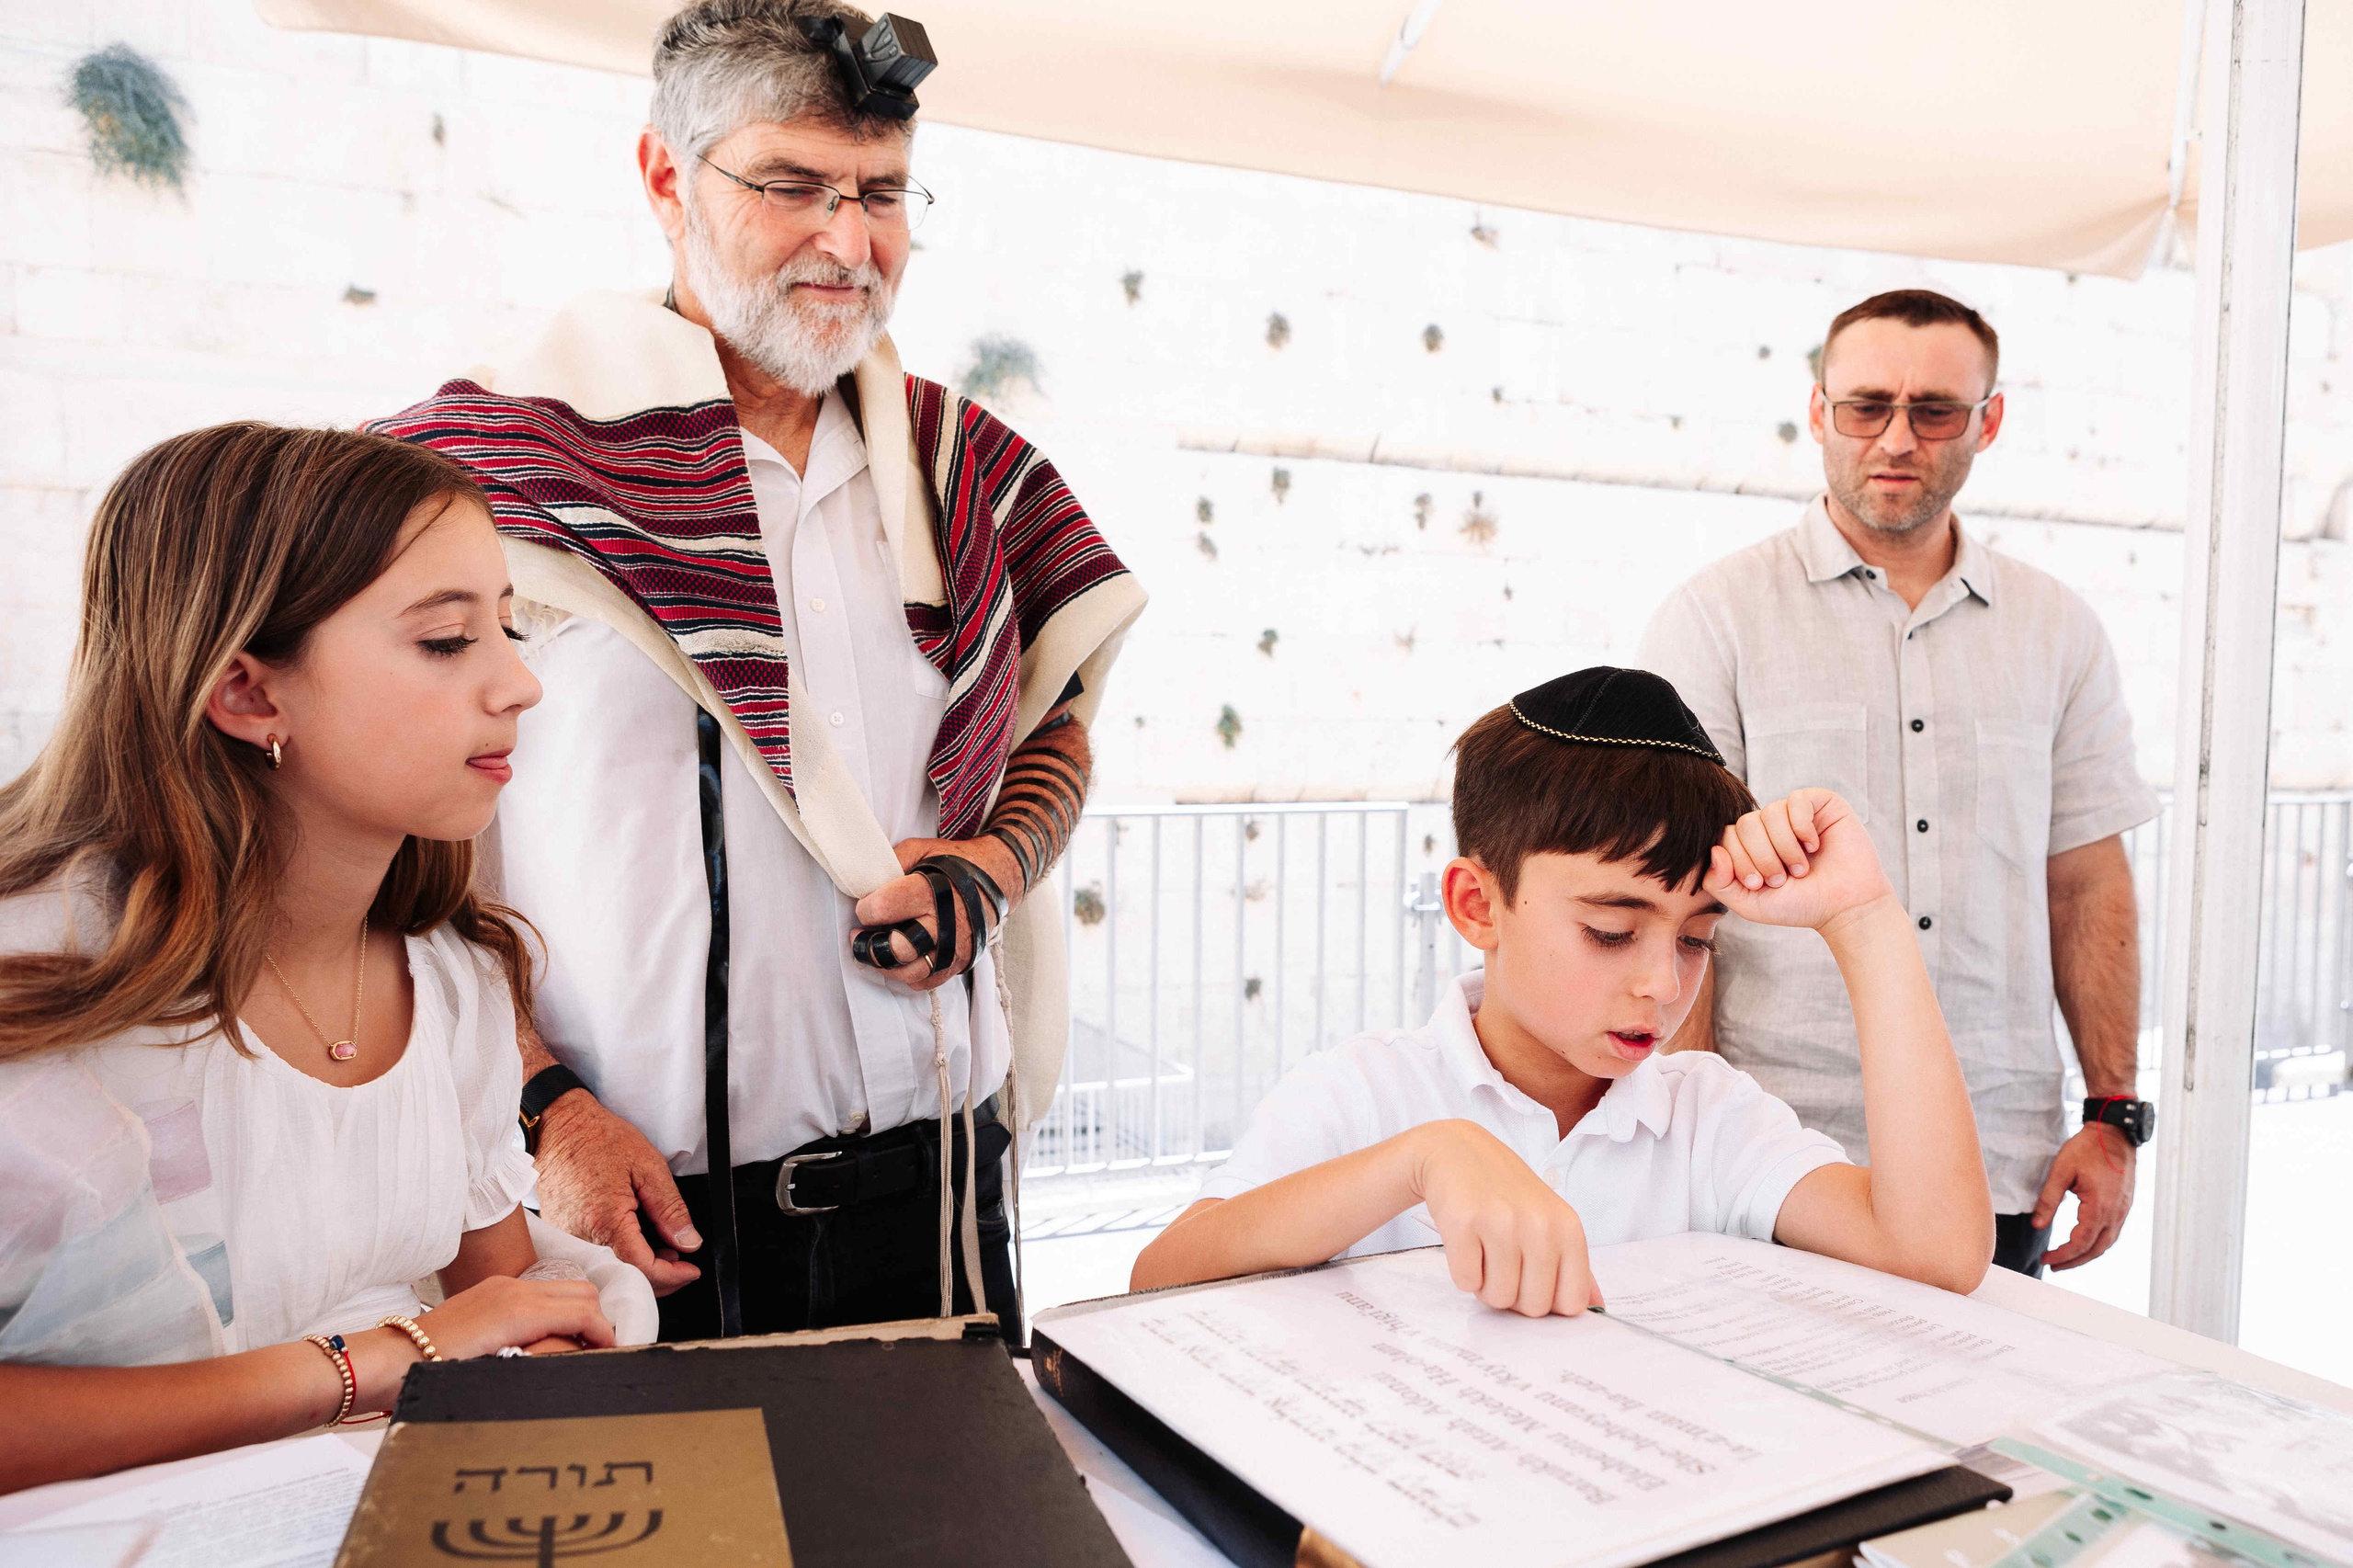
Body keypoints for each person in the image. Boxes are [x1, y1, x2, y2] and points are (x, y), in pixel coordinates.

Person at [371, 0, 1146, 1341]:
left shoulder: (974, 476)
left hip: (950, 1184)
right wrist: (540, 1102)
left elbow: (1054, 727)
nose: (850, 242)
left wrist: (997, 863)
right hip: (643, 1214)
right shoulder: (476, 483)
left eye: (882, 195)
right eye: (792, 186)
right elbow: (378, 846)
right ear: (667, 180)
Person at [0, 424, 655, 1496]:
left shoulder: (453, 981)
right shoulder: (41, 984)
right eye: (448, 641)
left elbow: (512, 1312)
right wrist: (381, 1359)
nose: (521, 684)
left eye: (510, 626)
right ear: (249, 692)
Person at [1131, 669, 1994, 1312]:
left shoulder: (1706, 1118)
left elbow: (1937, 1254)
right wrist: (1423, 1158)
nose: (1662, 984)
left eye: (1697, 938)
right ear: (1479, 905)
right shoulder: (1369, 1092)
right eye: (1611, 932)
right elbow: (1160, 1277)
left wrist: (1865, 919)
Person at [1637, 289, 2159, 1278]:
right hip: (1776, 1150)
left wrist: (2112, 1112)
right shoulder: (1714, 617)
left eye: (1934, 411)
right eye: (1865, 405)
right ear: (1818, 411)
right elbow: (1679, 890)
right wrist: (1685, 1135)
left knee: (1981, 1431)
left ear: (1986, 421)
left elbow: (2086, 880)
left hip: (1998, 1150)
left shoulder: (2059, 631)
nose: (1895, 437)